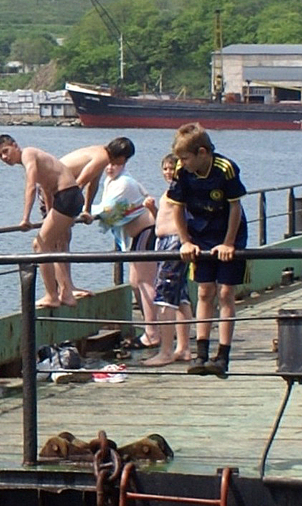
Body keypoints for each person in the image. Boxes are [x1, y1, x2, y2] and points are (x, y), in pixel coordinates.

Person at [165, 123, 247, 378]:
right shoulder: (182, 171)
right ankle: (201, 352)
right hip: (200, 233)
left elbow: (235, 208)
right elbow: (177, 208)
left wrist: (229, 243)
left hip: (226, 231)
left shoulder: (225, 169)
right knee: (204, 291)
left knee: (224, 293)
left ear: (202, 153)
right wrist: (185, 241)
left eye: (186, 158)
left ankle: (223, 354)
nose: (182, 163)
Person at [0, 133, 85, 308]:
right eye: (0, 156)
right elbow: (46, 189)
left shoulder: (28, 154)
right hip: (69, 197)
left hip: (68, 196)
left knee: (40, 245)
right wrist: (50, 216)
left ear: (15, 145)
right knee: (55, 243)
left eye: (6, 151)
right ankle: (66, 293)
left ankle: (51, 296)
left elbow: (31, 186)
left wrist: (25, 218)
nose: (4, 157)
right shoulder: (36, 159)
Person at [86, 137, 159, 348]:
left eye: (115, 164)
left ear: (124, 162)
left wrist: (85, 213)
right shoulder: (113, 180)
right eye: (107, 163)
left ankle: (153, 332)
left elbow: (109, 210)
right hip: (135, 237)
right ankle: (152, 328)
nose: (109, 168)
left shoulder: (125, 182)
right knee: (136, 283)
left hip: (145, 232)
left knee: (145, 283)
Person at [145, 152, 194, 366]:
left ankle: (165, 351)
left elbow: (185, 217)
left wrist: (183, 240)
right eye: (164, 168)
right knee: (180, 296)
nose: (168, 172)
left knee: (165, 296)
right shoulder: (172, 190)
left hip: (174, 243)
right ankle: (183, 348)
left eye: (172, 168)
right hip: (166, 241)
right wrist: (152, 209)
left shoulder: (182, 189)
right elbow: (164, 219)